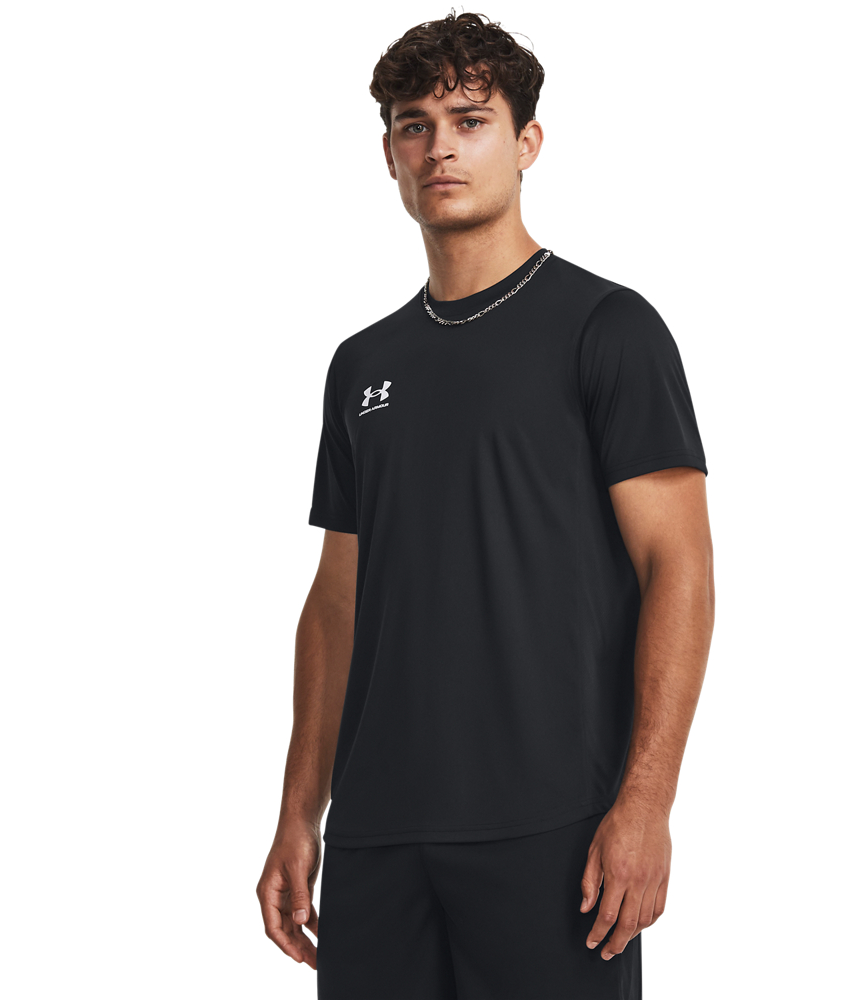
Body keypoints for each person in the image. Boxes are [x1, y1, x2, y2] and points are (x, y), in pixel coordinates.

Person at [256, 11, 714, 999]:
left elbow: (677, 567)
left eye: (470, 120)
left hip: (552, 829)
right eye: (414, 126)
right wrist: (299, 812)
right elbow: (337, 601)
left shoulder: (607, 328)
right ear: (388, 154)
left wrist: (646, 804)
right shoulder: (361, 365)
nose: (441, 148)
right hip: (377, 834)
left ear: (526, 141)